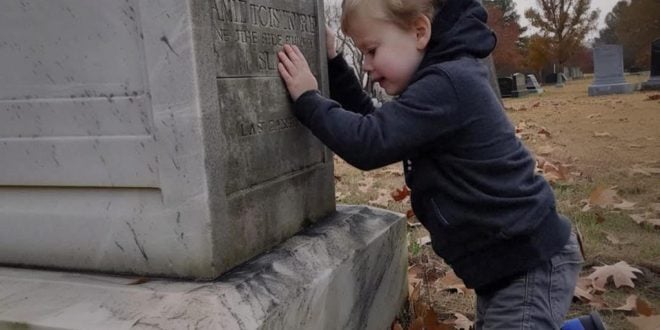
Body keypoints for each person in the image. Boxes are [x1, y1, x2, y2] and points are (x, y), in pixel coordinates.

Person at [277, 0, 584, 328]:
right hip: (502, 262)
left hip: (527, 260)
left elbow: (368, 142)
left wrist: (309, 99)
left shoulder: (448, 84)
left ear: (420, 32)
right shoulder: (440, 80)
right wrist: (334, 63)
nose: (366, 65)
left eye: (372, 50)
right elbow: (376, 121)